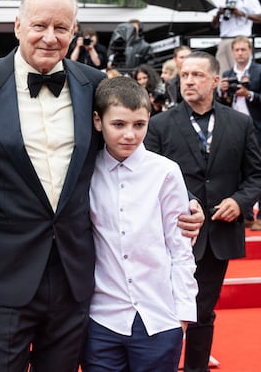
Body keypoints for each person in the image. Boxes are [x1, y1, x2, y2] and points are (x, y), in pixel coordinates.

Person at [0, 0, 203, 371]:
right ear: (17, 25)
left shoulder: (92, 83)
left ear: (74, 31)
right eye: (39, 25)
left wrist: (186, 201)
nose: (50, 37)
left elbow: (129, 148)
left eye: (61, 28)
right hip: (4, 274)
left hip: (75, 275)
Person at [144, 51, 261, 372]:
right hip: (170, 233)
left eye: (197, 75)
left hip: (217, 235)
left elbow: (257, 176)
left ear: (215, 80)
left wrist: (239, 202)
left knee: (202, 310)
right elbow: (146, 177)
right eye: (184, 75)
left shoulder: (239, 123)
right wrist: (187, 200)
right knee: (163, 308)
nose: (189, 81)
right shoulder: (158, 125)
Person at [82, 76, 197, 372]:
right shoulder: (85, 171)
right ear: (98, 121)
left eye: (139, 125)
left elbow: (180, 247)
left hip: (159, 318)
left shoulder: (166, 172)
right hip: (101, 319)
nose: (130, 135)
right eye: (119, 124)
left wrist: (182, 315)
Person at [215, 36, 261, 230]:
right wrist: (223, 92)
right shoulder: (228, 73)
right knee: (236, 170)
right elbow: (222, 103)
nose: (240, 53)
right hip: (233, 127)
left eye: (243, 49)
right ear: (232, 52)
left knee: (259, 170)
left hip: (257, 127)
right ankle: (246, 214)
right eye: (237, 50)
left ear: (250, 51)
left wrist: (248, 94)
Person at [210, 0, 261, 74]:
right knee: (222, 70)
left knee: (241, 69)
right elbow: (214, 25)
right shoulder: (221, 0)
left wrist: (242, 14)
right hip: (225, 38)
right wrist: (219, 14)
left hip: (242, 38)